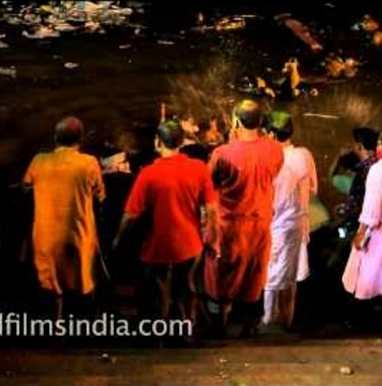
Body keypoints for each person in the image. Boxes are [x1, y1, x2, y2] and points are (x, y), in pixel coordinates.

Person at [113, 120, 218, 330]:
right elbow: (212, 208)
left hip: (158, 246)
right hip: (190, 244)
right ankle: (187, 331)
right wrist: (211, 237)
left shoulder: (147, 174)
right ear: (181, 142)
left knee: (159, 292)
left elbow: (130, 215)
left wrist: (118, 238)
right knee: (187, 288)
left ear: (157, 142)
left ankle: (158, 334)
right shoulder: (198, 169)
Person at [204, 100, 284, 336]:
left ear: (236, 121)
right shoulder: (274, 150)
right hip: (259, 227)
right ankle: (250, 327)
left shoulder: (223, 153)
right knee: (254, 274)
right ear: (260, 122)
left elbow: (209, 185)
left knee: (219, 275)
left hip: (229, 226)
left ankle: (219, 325)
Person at [23, 116, 105, 319]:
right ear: (81, 140)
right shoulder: (89, 163)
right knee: (82, 284)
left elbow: (25, 186)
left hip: (46, 240)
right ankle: (83, 328)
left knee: (51, 288)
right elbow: (100, 195)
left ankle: (54, 329)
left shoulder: (38, 161)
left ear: (55, 138)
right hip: (78, 240)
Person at [263, 111, 318, 328]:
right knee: (291, 275)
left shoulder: (269, 159)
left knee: (270, 275)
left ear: (271, 133)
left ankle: (268, 321)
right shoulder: (305, 155)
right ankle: (286, 321)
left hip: (274, 226)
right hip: (298, 225)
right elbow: (313, 188)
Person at [342, 132, 382, 321]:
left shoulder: (377, 170)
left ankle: (361, 319)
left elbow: (371, 208)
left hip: (376, 233)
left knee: (366, 277)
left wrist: (361, 233)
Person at [339, 127, 378, 235]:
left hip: (367, 227)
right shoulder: (378, 165)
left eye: (353, 144)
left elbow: (354, 203)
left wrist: (344, 211)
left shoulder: (363, 171)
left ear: (359, 146)